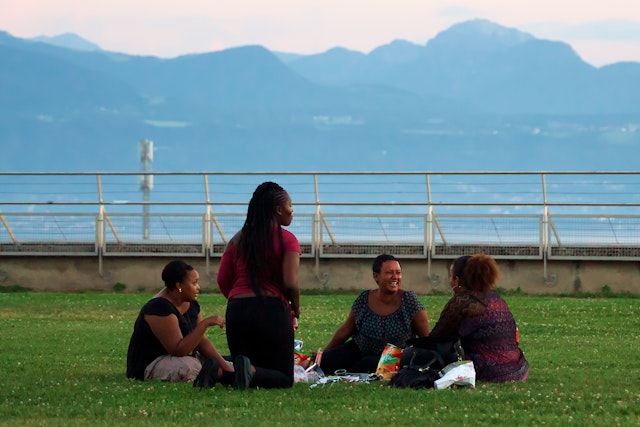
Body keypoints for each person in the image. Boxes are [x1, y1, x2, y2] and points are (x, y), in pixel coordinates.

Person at [217, 181, 301, 389]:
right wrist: (295, 308)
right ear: (278, 209)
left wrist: (239, 298)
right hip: (271, 310)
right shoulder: (288, 240)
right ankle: (250, 371)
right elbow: (290, 281)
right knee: (283, 378)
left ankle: (218, 371)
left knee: (243, 370)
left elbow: (222, 279)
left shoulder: (237, 239)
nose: (292, 211)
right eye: (291, 206)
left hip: (237, 310)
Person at [319, 254, 430, 375]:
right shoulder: (364, 298)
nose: (395, 277)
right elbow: (346, 330)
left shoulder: (409, 301)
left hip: (393, 356)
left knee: (363, 366)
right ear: (376, 276)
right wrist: (324, 353)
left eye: (398, 273)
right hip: (360, 348)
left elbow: (426, 338)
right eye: (389, 273)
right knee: (325, 362)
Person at [126, 260, 234, 384]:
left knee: (225, 362)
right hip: (153, 363)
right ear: (179, 286)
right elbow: (178, 350)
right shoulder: (159, 307)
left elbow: (201, 341)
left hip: (185, 358)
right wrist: (205, 324)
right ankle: (222, 376)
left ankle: (227, 373)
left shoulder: (191, 304)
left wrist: (227, 368)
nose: (198, 287)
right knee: (189, 367)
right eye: (194, 283)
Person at [429, 254, 529, 382]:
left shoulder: (463, 300)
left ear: (457, 280)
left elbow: (435, 339)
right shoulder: (495, 297)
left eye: (451, 276)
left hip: (489, 371)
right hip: (518, 369)